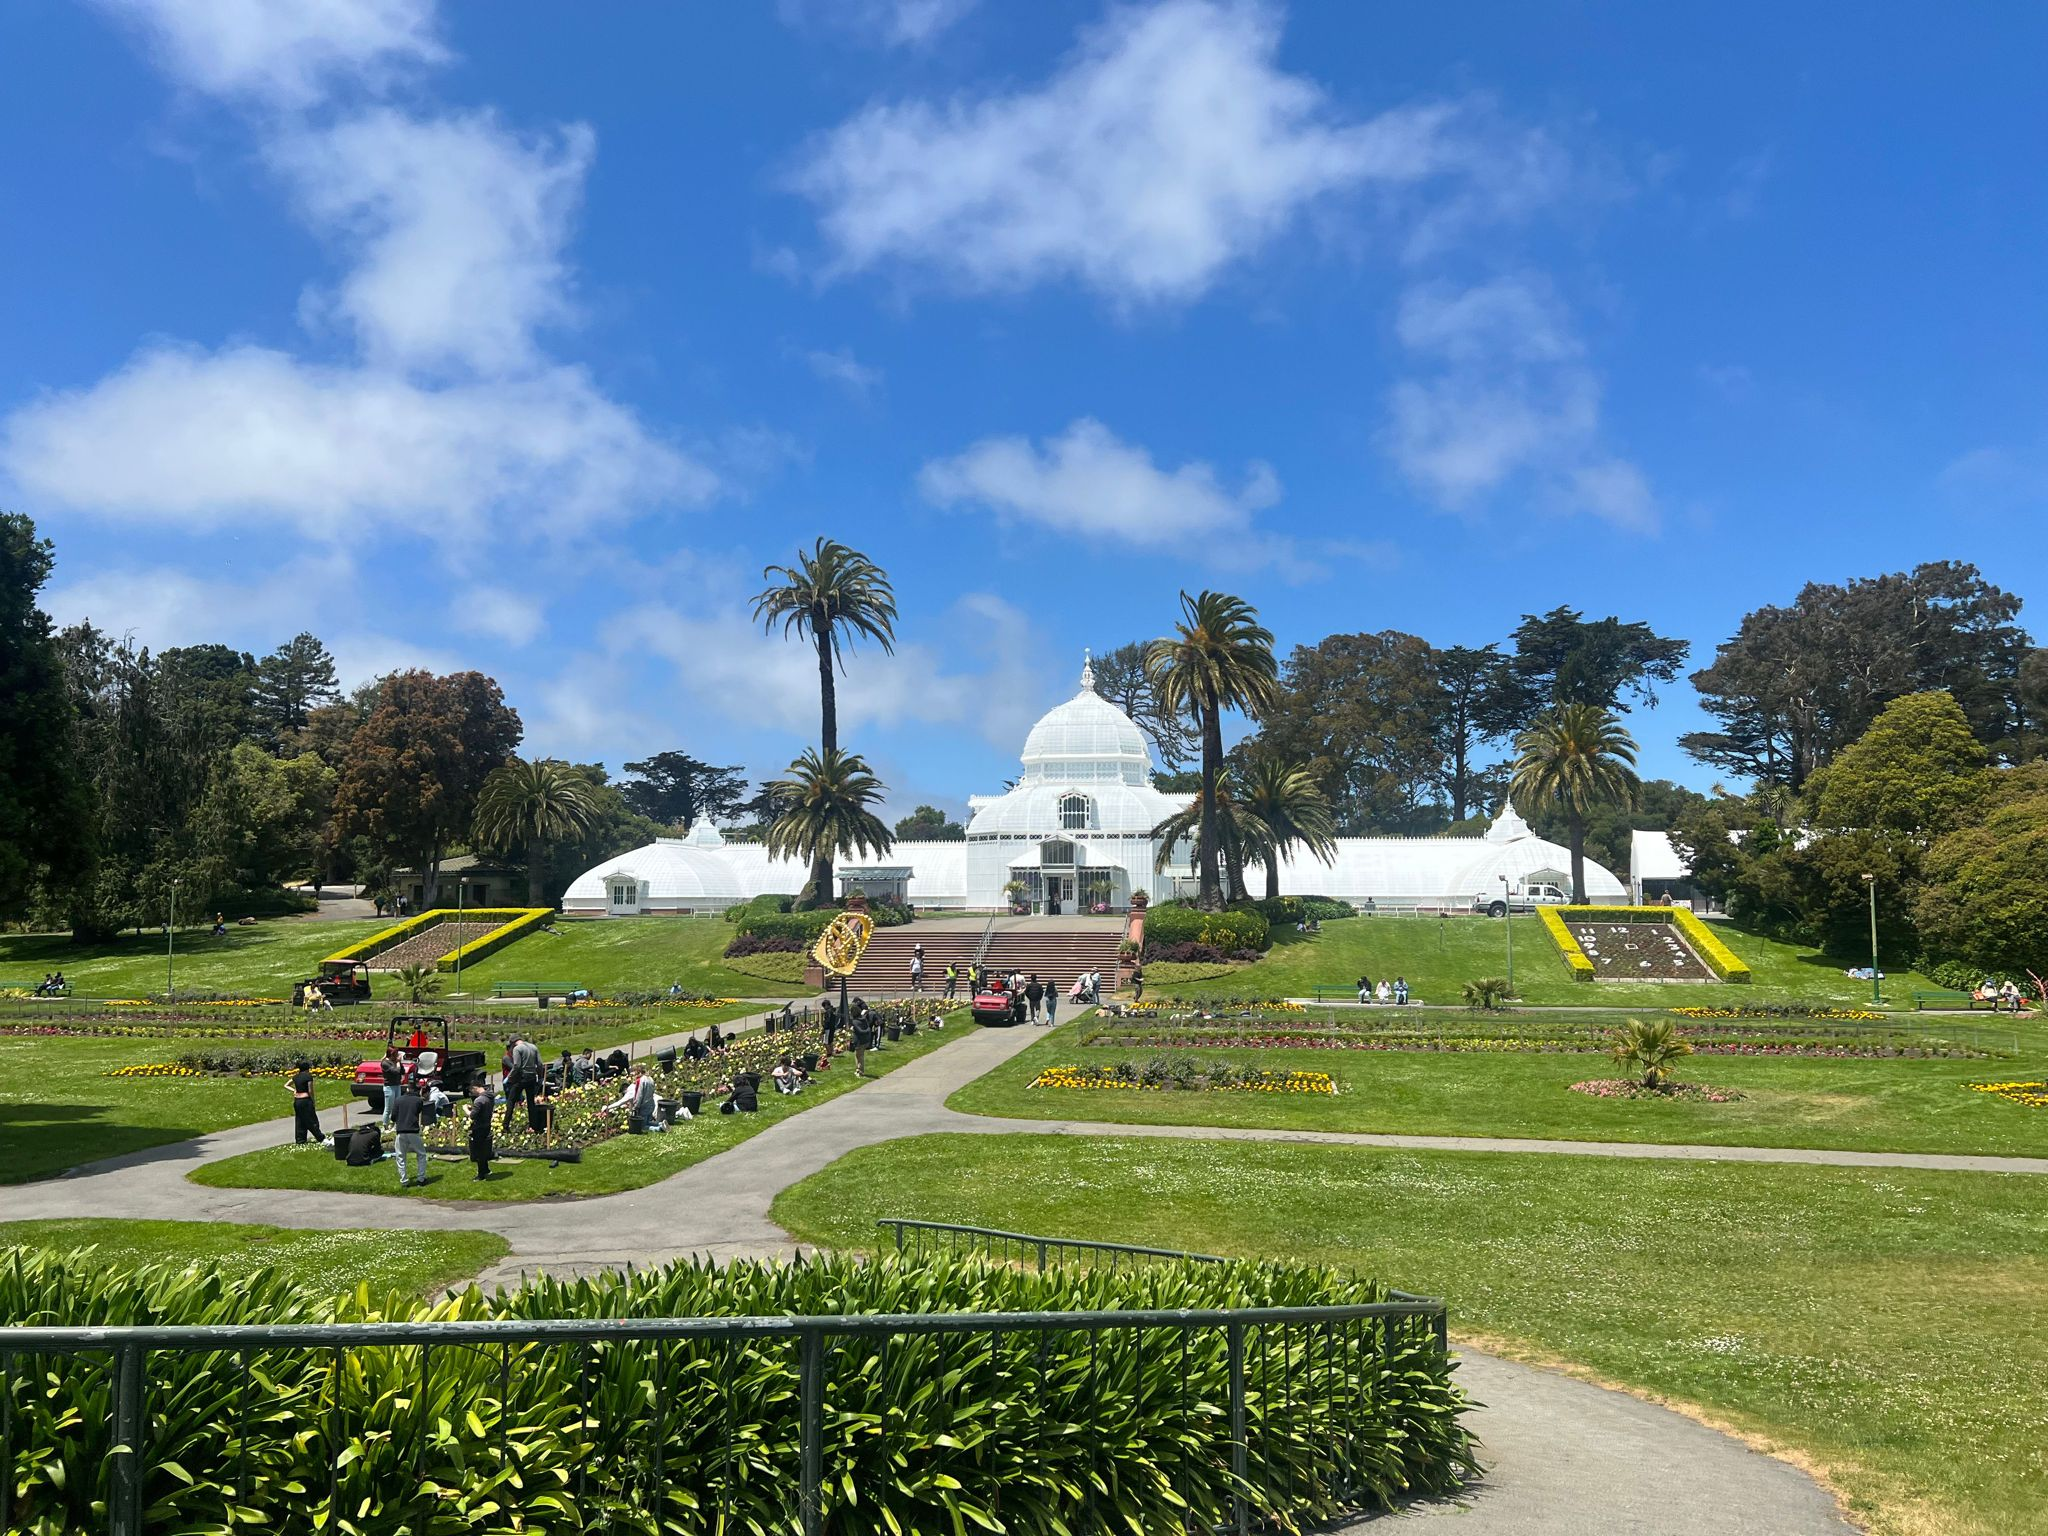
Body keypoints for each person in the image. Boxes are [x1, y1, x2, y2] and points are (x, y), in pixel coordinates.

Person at [502, 1033, 542, 1131]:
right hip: (531, 1077)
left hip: (521, 1078)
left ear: (512, 1043)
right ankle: (534, 1125)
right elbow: (540, 1064)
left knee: (511, 1101)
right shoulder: (533, 1047)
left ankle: (505, 1126)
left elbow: (517, 1066)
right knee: (530, 1102)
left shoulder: (517, 1049)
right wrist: (540, 1077)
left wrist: (510, 1078)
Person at [392, 1076, 426, 1188]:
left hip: (401, 1131)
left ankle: (404, 1181)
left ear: (407, 1089)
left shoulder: (398, 1100)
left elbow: (393, 1117)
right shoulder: (418, 1101)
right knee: (421, 1154)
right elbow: (418, 1111)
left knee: (400, 1156)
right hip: (413, 1131)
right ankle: (421, 1179)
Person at [604, 1066, 658, 1134]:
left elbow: (639, 1095)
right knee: (648, 1122)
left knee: (643, 1126)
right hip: (651, 1105)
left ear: (638, 1073)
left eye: (633, 1074)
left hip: (644, 1107)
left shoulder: (639, 1082)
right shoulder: (650, 1078)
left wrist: (636, 1107)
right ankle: (660, 1124)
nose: (633, 1077)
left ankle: (659, 1128)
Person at [289, 1059, 322, 1144]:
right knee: (311, 1119)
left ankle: (300, 1139)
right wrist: (313, 1100)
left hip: (297, 1100)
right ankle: (319, 1137)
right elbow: (310, 1090)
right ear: (307, 1068)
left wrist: (294, 1090)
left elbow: (286, 1085)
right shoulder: (308, 1076)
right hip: (305, 1100)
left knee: (300, 1120)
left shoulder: (296, 1077)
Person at [468, 1081, 495, 1179]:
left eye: (472, 1091)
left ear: (475, 1088)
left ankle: (481, 1174)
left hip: (479, 1127)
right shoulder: (490, 1096)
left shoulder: (479, 1100)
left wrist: (466, 1110)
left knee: (478, 1151)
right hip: (487, 1124)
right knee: (484, 1149)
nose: (472, 1094)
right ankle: (486, 1169)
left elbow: (472, 1116)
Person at [379, 1047, 403, 1129]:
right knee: (388, 1108)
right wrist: (398, 1063)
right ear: (391, 1054)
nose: (397, 1056)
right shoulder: (385, 1063)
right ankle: (385, 1125)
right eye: (396, 1054)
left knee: (397, 1106)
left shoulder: (395, 1062)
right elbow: (395, 1071)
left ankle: (395, 1124)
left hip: (397, 1085)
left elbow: (402, 1071)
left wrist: (400, 1063)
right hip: (389, 1087)